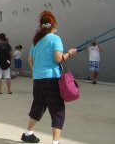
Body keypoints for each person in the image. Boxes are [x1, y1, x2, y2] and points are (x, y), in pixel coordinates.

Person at [21, 11, 77, 144]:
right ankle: (55, 142)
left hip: (38, 79)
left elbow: (30, 59)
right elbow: (59, 59)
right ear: (53, 25)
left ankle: (28, 133)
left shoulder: (36, 41)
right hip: (51, 79)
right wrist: (70, 52)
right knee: (57, 110)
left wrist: (37, 71)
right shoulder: (55, 39)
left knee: (38, 106)